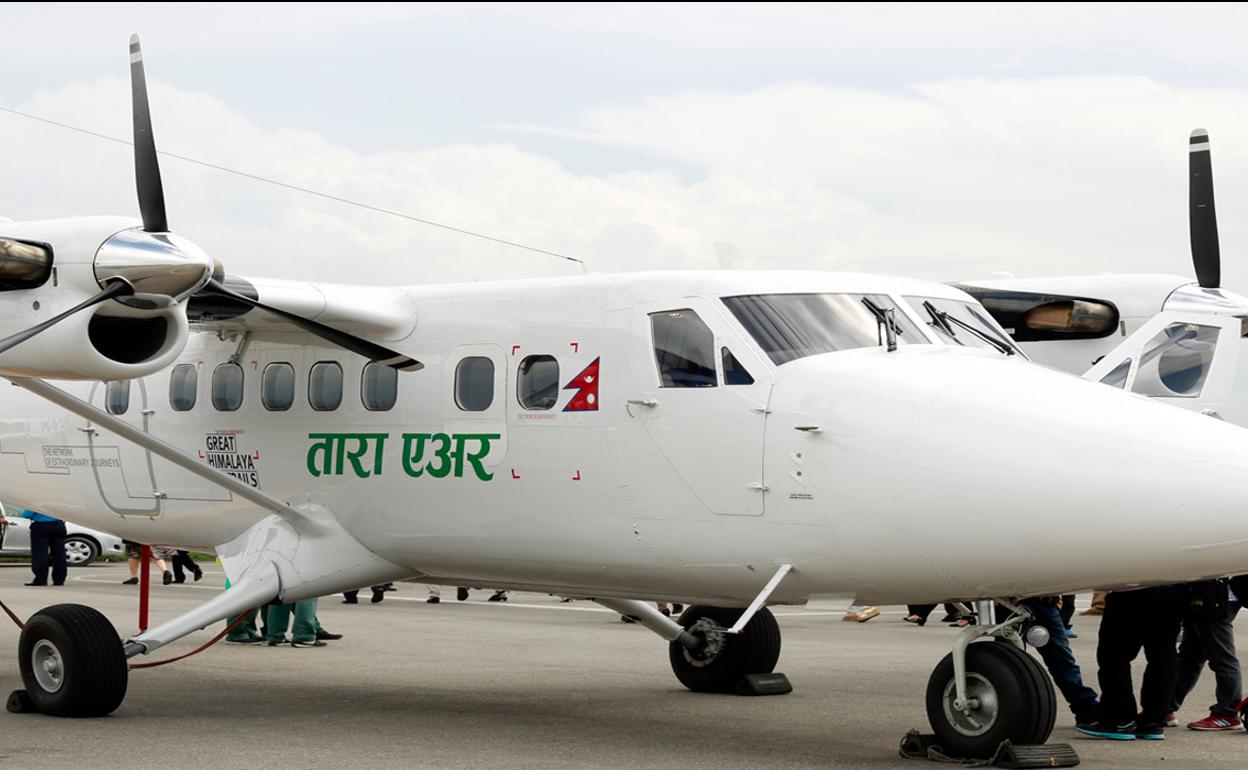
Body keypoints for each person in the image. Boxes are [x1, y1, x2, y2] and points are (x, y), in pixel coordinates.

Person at [1077, 585, 1186, 741]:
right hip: (1171, 591)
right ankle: (1153, 720)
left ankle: (1119, 719)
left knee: (1113, 655)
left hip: (1132, 591)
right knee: (1162, 656)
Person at [1168, 579, 1242, 731]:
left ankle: (1227, 713)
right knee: (1190, 656)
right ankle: (1165, 707)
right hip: (1202, 592)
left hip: (1216, 595)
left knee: (1221, 658)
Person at [14, 508, 67, 587]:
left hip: (41, 526)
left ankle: (41, 579)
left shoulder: (36, 501)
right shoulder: (60, 501)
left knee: (40, 554)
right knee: (59, 554)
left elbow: (26, 514)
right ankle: (59, 579)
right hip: (59, 525)